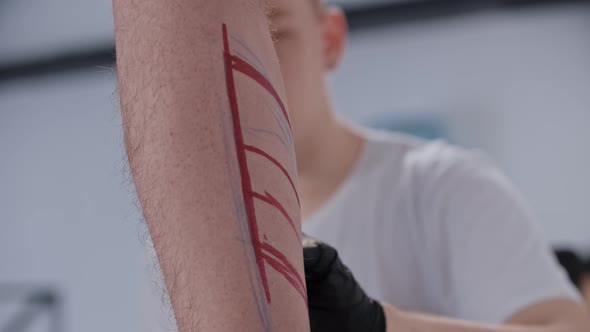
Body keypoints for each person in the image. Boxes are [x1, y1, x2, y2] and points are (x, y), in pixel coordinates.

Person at [268, 0, 590, 330]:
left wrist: (379, 325)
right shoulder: (225, 251)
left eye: (272, 34)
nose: (244, 71)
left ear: (329, 40)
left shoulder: (444, 186)